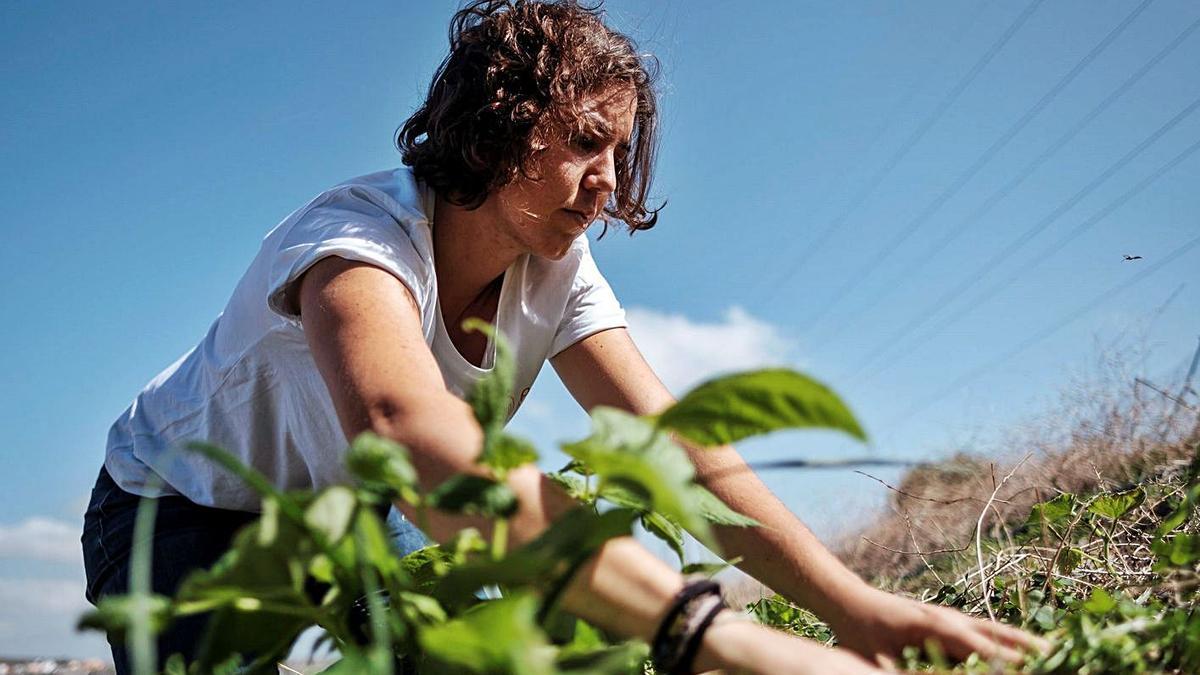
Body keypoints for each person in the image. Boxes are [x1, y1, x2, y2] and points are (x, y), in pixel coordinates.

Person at [81, 1, 1043, 673]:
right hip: (176, 510)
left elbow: (678, 450)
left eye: (620, 150)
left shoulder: (559, 269)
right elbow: (408, 432)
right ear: (496, 126)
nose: (609, 180)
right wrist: (707, 634)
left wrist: (860, 609)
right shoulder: (355, 242)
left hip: (359, 503)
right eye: (586, 139)